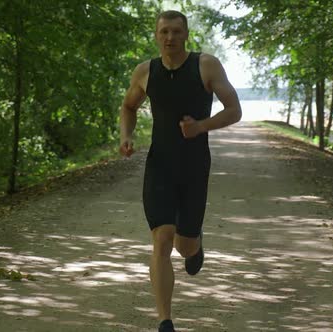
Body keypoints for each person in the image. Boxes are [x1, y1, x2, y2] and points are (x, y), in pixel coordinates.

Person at [118, 10, 242, 332]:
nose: (169, 37)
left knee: (183, 246)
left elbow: (234, 109)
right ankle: (165, 321)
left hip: (194, 166)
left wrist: (201, 126)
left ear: (186, 34)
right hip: (159, 165)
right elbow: (128, 107)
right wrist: (126, 136)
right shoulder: (145, 72)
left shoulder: (206, 66)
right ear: (156, 35)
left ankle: (196, 242)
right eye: (164, 32)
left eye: (176, 31)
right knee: (162, 239)